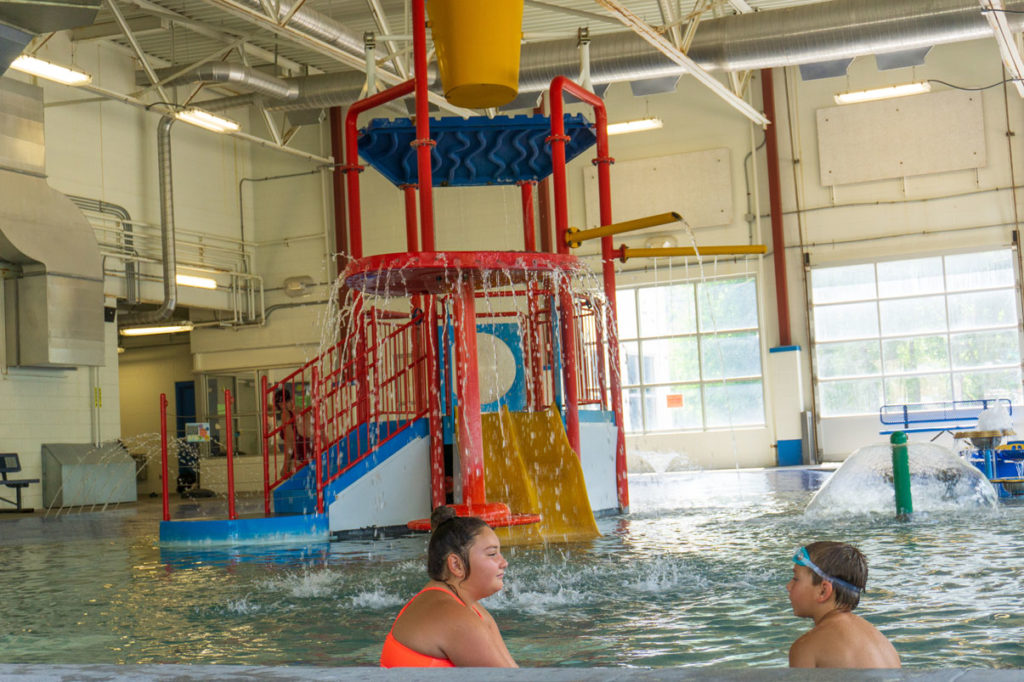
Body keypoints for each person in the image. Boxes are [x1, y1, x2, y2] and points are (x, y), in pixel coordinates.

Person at [380, 506, 518, 668]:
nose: (504, 563)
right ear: (456, 565)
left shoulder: (470, 610)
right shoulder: (457, 619)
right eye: (492, 554)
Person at [786, 541, 901, 669]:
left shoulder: (806, 647)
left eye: (795, 579)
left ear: (823, 591)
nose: (788, 586)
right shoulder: (883, 644)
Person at [274, 386, 311, 478]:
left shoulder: (286, 415)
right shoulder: (304, 411)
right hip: (312, 455)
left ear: (280, 404)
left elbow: (290, 443)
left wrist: (285, 466)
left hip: (298, 458)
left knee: (295, 489)